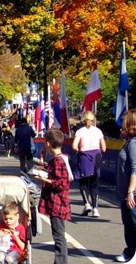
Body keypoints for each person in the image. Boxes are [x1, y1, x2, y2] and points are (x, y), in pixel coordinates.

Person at [34, 128, 71, 264]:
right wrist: (42, 159)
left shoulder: (58, 161)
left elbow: (61, 183)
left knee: (59, 236)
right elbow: (51, 173)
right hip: (56, 202)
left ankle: (61, 261)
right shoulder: (58, 159)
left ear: (48, 143)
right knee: (58, 234)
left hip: (58, 203)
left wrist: (44, 179)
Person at [72, 111, 106, 217]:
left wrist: (79, 150)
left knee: (83, 182)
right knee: (94, 183)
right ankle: (95, 209)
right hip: (96, 157)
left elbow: (74, 146)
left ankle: (87, 204)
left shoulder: (80, 132)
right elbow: (104, 148)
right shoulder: (98, 131)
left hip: (84, 157)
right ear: (93, 120)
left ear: (83, 120)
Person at [115, 109, 136, 263]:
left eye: (123, 121)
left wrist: (131, 191)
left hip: (132, 194)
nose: (121, 123)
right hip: (125, 193)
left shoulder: (134, 144)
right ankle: (130, 252)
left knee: (133, 224)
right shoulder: (129, 142)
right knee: (128, 224)